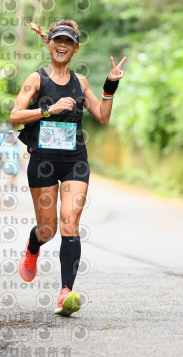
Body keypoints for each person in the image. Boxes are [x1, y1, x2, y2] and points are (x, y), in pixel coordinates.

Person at [10, 20, 126, 316]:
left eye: (68, 42)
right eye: (57, 40)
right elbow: (15, 116)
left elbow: (102, 116)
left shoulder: (81, 82)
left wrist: (110, 85)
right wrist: (48, 110)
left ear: (75, 49)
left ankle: (65, 292)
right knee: (47, 230)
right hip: (44, 163)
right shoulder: (35, 80)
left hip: (75, 161)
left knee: (70, 223)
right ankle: (33, 246)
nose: (62, 46)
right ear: (49, 44)